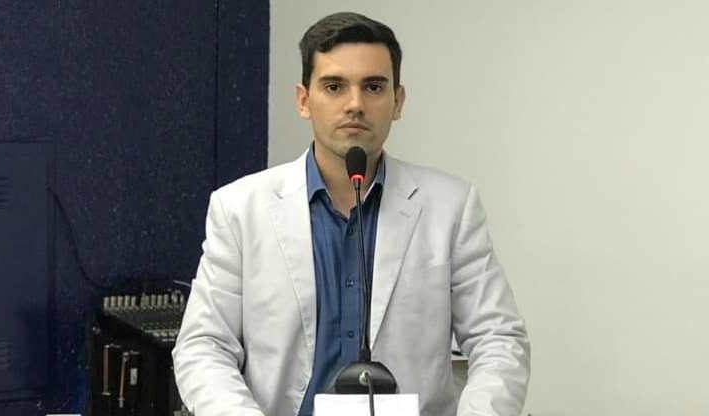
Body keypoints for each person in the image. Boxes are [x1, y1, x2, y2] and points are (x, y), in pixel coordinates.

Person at [172, 11, 530, 416]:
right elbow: (203, 346)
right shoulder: (239, 209)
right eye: (334, 86)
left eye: (373, 87)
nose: (355, 104)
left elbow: (499, 339)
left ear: (398, 101)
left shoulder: (450, 207)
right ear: (304, 101)